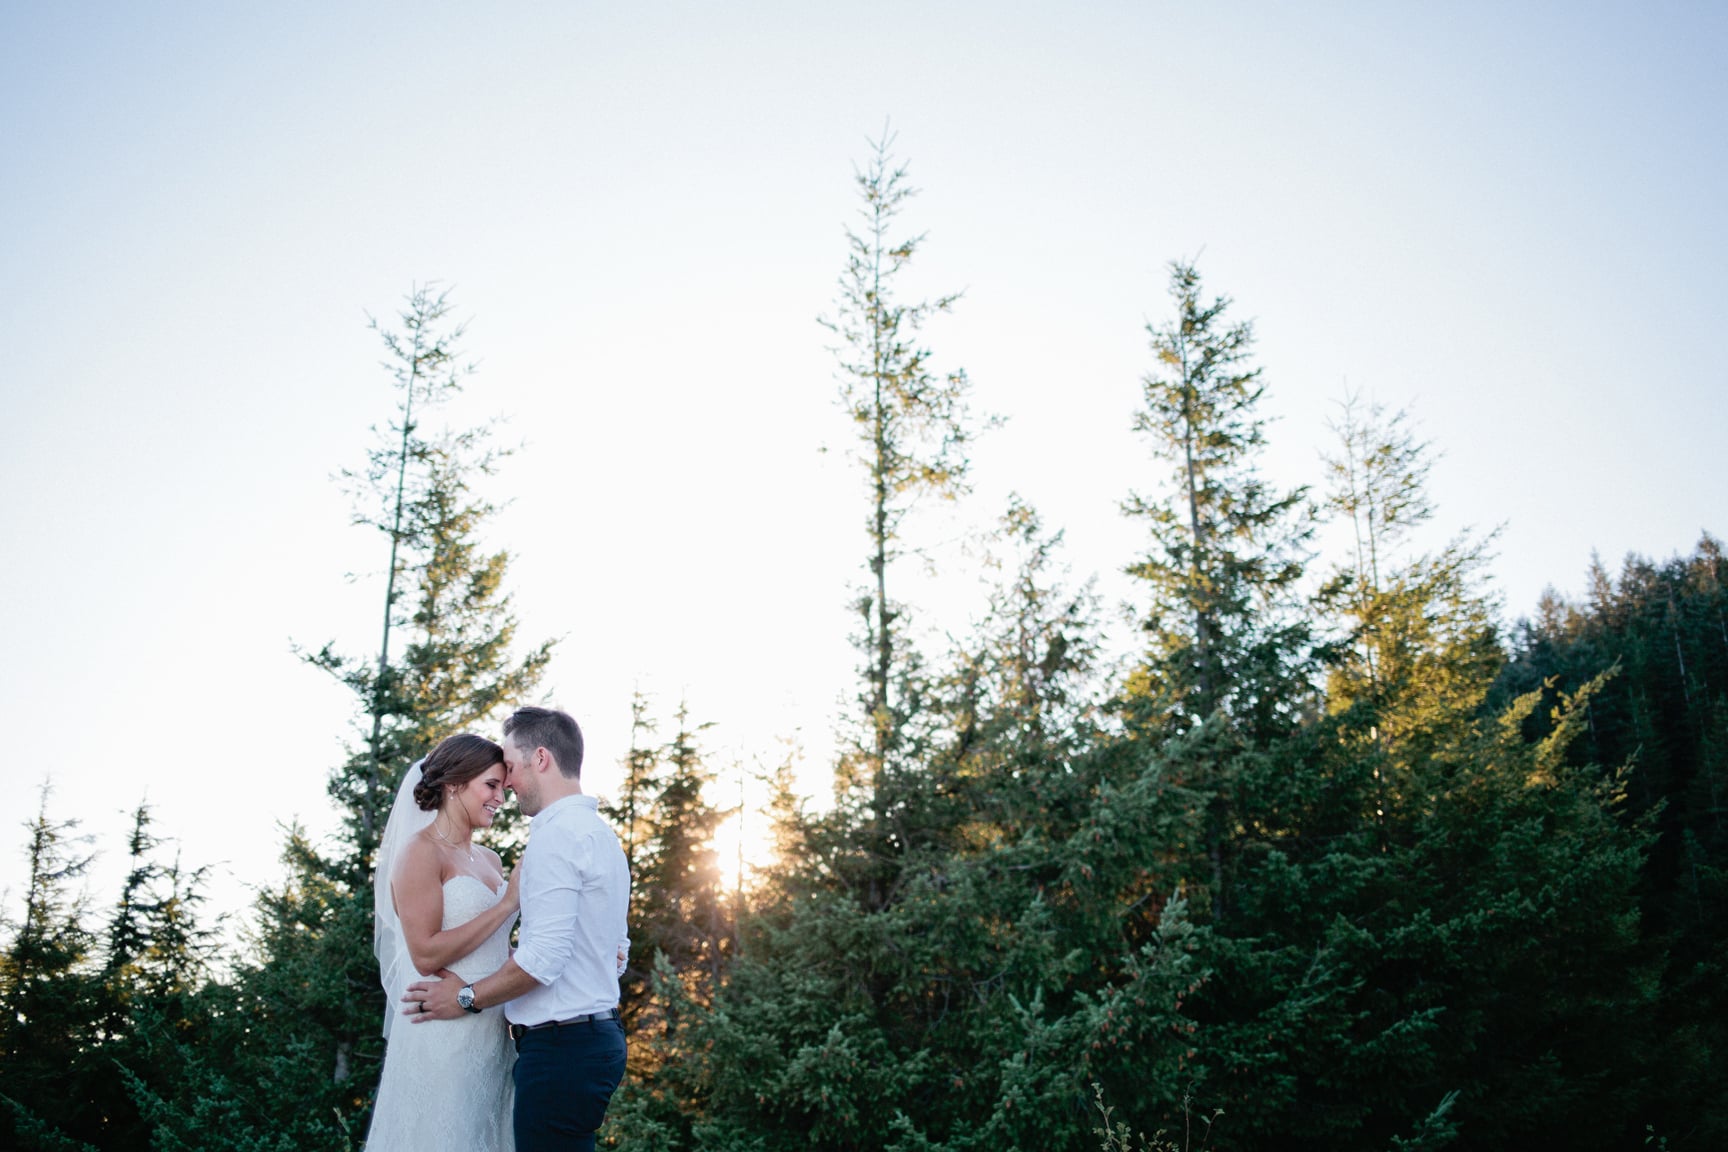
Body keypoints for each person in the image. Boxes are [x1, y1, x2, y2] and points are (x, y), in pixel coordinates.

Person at [406, 707, 630, 1152]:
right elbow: (617, 948)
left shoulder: (556, 836)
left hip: (562, 1049)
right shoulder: (600, 835)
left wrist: (466, 996)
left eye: (509, 766)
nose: (506, 783)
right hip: (589, 1040)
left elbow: (544, 958)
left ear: (540, 759)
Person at [366, 733, 521, 1151]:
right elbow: (424, 952)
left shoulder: (489, 859)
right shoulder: (419, 852)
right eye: (491, 785)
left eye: (503, 788)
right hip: (442, 1030)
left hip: (490, 1027)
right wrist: (507, 903)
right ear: (454, 784)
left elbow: (494, 947)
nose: (500, 799)